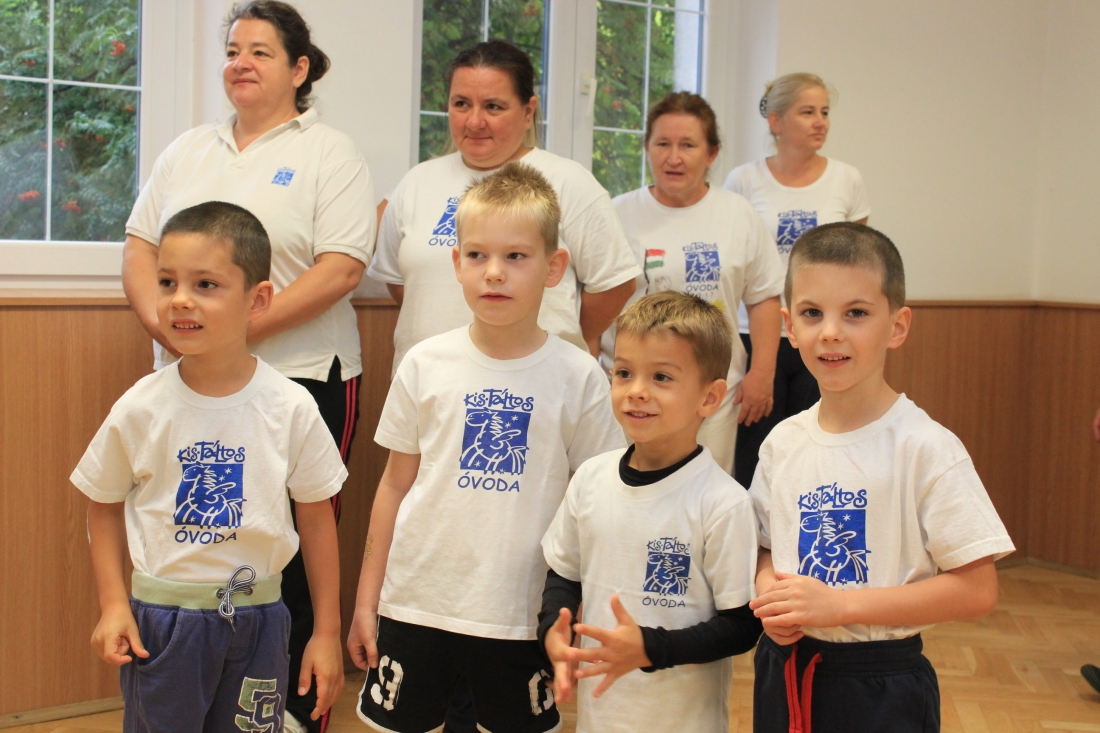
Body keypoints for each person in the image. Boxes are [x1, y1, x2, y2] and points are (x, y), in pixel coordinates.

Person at [121, 4, 375, 729]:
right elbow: (140, 247)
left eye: (260, 51)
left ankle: (292, 711)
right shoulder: (188, 149)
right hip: (190, 384)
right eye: (233, 49)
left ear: (299, 69)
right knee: (201, 538)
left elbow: (341, 266)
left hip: (302, 376)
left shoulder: (330, 152)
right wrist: (169, 326)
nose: (240, 62)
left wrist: (230, 330)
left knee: (286, 553)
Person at [348, 163, 625, 733]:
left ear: (554, 268)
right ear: (456, 263)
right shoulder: (425, 363)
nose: (494, 272)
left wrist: (580, 612)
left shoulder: (579, 376)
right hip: (416, 604)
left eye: (516, 256)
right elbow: (394, 486)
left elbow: (597, 508)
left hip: (522, 616)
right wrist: (366, 600)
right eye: (477, 255)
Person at [72, 202, 346, 732]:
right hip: (163, 625)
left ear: (256, 300)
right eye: (167, 282)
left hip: (262, 621)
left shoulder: (291, 406)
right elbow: (102, 505)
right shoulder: (140, 406)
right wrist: (113, 604)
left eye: (205, 284)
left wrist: (326, 633)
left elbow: (317, 519)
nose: (180, 300)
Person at [748, 223, 1016, 733]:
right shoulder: (782, 441)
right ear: (789, 326)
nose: (830, 332)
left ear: (897, 326)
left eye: (855, 313)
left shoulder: (925, 446)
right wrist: (770, 595)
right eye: (812, 313)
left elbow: (978, 589)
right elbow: (763, 545)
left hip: (880, 684)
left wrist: (839, 606)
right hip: (784, 668)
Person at [539, 291, 764, 733]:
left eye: (661, 377)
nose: (636, 391)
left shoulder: (723, 503)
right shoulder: (590, 479)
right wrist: (554, 630)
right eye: (623, 373)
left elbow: (741, 626)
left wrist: (649, 648)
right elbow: (564, 575)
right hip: (600, 720)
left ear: (709, 397)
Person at [369, 39, 640, 373]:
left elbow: (615, 285)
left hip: (537, 381)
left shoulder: (569, 183)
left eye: (493, 107)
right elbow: (402, 286)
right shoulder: (415, 183)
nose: (474, 121)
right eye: (461, 104)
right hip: (431, 382)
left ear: (527, 112)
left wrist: (562, 339)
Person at [609, 92, 784, 475]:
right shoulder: (617, 213)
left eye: (688, 145)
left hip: (712, 390)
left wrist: (762, 373)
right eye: (663, 144)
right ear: (646, 147)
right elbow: (594, 295)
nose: (674, 157)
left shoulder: (738, 214)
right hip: (634, 390)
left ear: (711, 153)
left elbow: (764, 297)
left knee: (704, 491)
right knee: (632, 488)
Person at [725, 72, 870, 489]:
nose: (820, 121)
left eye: (824, 112)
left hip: (824, 333)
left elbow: (857, 263)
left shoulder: (847, 179)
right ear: (776, 121)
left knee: (819, 448)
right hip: (757, 334)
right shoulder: (744, 180)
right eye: (807, 112)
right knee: (756, 453)